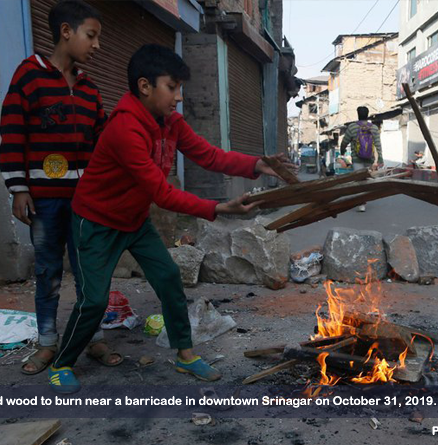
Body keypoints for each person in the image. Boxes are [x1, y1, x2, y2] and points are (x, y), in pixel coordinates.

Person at [48, 44, 293, 394]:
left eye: (180, 88)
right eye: (172, 87)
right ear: (145, 86)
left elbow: (208, 156)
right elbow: (163, 194)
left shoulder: (170, 122)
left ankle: (185, 354)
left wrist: (256, 164)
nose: (178, 97)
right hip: (97, 222)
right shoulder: (124, 129)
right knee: (94, 301)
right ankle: (62, 363)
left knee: (168, 278)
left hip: (133, 220)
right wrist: (218, 209)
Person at [0, 0, 121, 375]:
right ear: (66, 32)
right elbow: (13, 133)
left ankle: (92, 338)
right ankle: (48, 344)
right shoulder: (28, 76)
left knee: (90, 273)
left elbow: (103, 141)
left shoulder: (89, 89)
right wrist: (19, 188)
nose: (97, 45)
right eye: (91, 35)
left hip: (85, 203)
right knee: (48, 272)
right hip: (45, 202)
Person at [339, 106, 383, 211]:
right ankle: (363, 200)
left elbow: (345, 141)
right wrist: (380, 158)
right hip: (369, 159)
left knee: (358, 180)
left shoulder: (352, 127)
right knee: (366, 179)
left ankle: (361, 203)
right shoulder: (374, 128)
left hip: (356, 159)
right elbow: (378, 144)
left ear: (357, 114)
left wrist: (342, 151)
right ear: (367, 114)